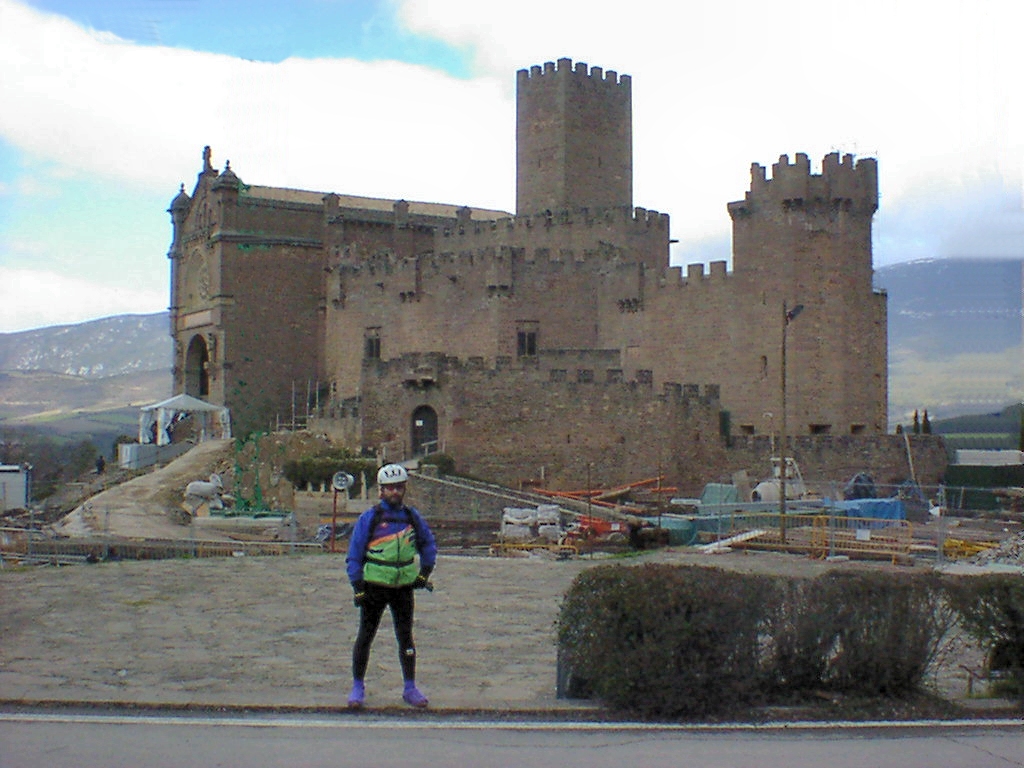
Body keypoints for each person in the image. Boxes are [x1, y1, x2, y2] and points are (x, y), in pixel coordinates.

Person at [345, 463, 437, 709]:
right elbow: (354, 554)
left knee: (405, 637)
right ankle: (357, 687)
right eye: (389, 488)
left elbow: (428, 543)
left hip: (403, 587)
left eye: (399, 487)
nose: (395, 492)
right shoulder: (370, 518)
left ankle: (410, 687)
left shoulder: (411, 517)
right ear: (381, 490)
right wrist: (357, 586)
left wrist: (424, 573)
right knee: (365, 637)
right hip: (374, 586)